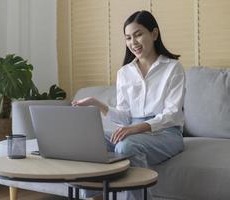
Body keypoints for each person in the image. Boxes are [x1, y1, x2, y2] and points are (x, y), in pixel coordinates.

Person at [72, 10, 185, 200]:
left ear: (154, 34)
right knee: (91, 141)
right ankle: (94, 196)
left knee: (126, 146)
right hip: (134, 128)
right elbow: (125, 116)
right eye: (128, 37)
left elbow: (172, 114)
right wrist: (96, 103)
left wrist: (135, 129)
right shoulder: (124, 72)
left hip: (167, 133)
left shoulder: (173, 68)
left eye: (138, 34)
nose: (133, 42)